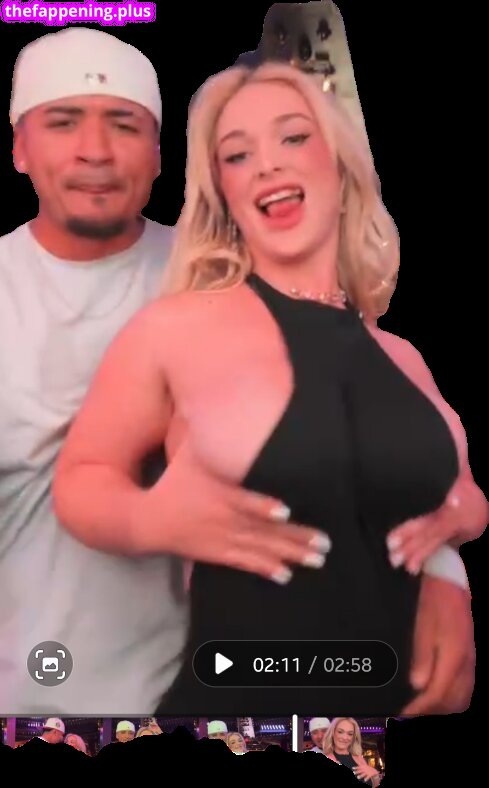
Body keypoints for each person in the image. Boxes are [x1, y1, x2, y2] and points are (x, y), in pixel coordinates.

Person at [53, 60, 485, 716]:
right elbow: (82, 478)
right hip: (241, 717)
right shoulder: (175, 328)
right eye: (237, 154)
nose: (267, 165)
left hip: (393, 715)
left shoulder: (402, 355)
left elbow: (463, 492)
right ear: (223, 192)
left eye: (293, 137)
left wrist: (450, 550)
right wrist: (150, 518)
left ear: (339, 166)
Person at [0, 25, 183, 716]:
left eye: (124, 124)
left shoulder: (218, 275)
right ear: (19, 147)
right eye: (64, 121)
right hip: (23, 699)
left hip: (199, 692)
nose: (96, 151)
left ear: (158, 153)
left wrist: (442, 575)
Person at [323, 717, 380, 786]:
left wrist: (375, 775)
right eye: (340, 732)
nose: (345, 738)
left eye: (350, 734)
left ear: (353, 737)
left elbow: (374, 785)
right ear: (332, 733)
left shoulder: (359, 758)